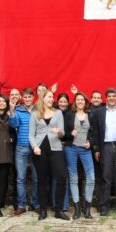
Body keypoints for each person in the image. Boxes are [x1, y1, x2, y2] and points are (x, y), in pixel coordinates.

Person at [29, 90, 68, 220]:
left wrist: (59, 131)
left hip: (55, 149)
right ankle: (43, 210)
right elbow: (31, 134)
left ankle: (59, 210)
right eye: (50, 97)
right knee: (42, 180)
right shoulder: (35, 114)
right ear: (43, 98)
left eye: (52, 97)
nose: (52, 99)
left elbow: (62, 133)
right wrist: (35, 146)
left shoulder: (58, 113)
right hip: (39, 151)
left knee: (62, 177)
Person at [90, 88, 116, 216]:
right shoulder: (99, 112)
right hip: (105, 147)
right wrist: (96, 149)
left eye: (114, 96)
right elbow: (95, 131)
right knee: (106, 177)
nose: (111, 98)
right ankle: (104, 205)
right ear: (105, 98)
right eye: (109, 96)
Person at [64, 92, 95, 219]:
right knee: (73, 178)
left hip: (85, 149)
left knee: (91, 178)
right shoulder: (69, 115)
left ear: (85, 101)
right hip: (71, 148)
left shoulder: (90, 114)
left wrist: (91, 143)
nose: (80, 101)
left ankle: (87, 208)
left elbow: (95, 132)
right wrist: (70, 133)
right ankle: (77, 208)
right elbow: (63, 134)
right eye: (78, 99)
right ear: (75, 102)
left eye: (82, 99)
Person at [9, 87, 39, 215]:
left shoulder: (38, 111)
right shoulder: (18, 110)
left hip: (35, 147)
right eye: (25, 97)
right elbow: (14, 125)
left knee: (36, 178)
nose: (27, 99)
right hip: (21, 147)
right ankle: (21, 205)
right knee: (20, 178)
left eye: (29, 97)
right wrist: (11, 109)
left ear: (33, 98)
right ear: (22, 98)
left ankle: (35, 204)